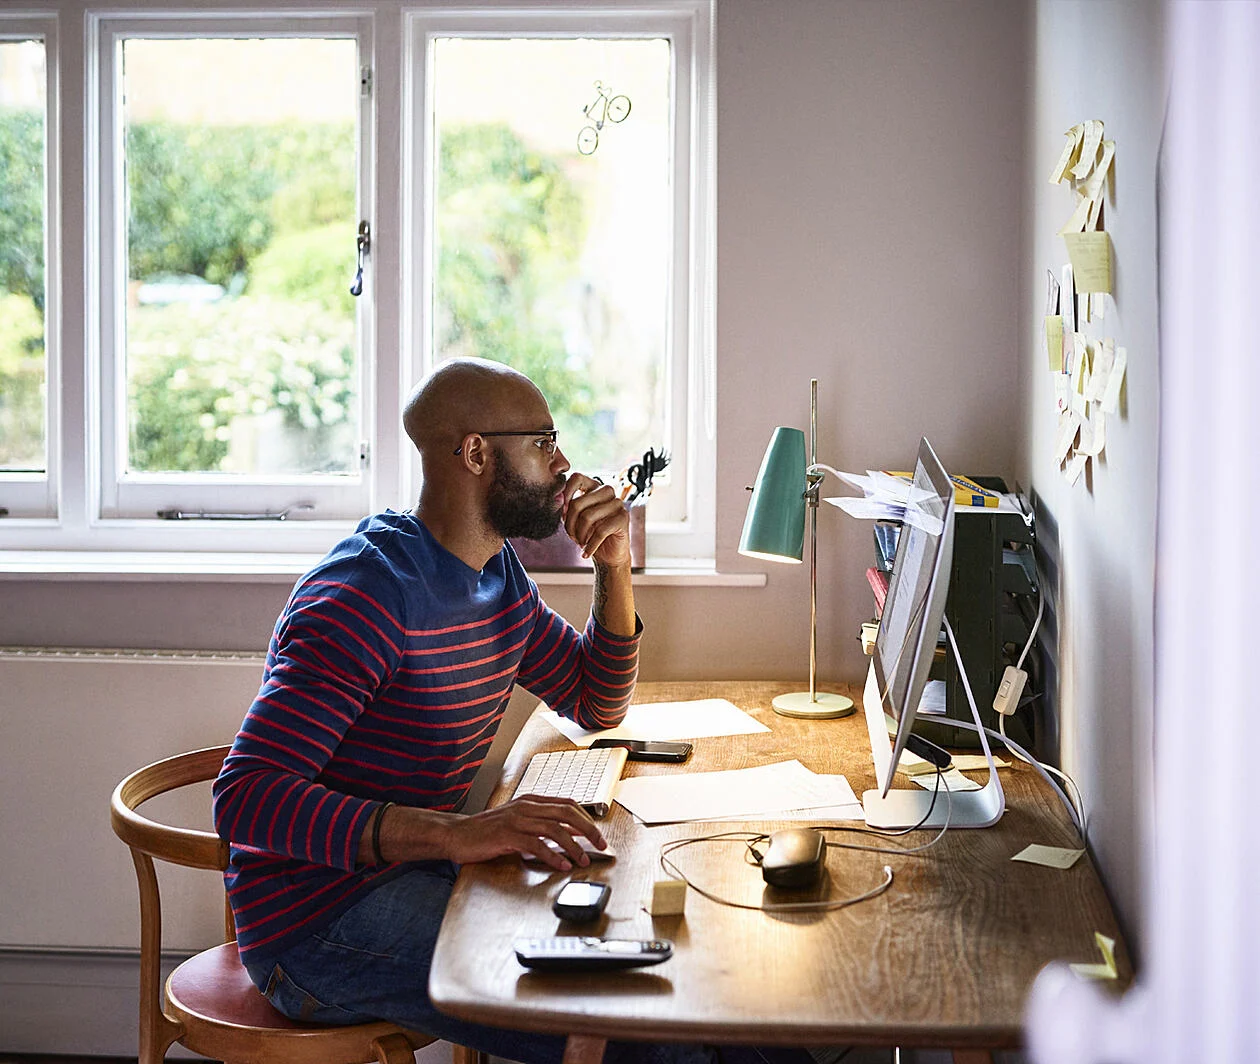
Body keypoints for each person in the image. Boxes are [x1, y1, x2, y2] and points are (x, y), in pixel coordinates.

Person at [212, 357, 691, 1064]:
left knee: (666, 977)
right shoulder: (365, 596)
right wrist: (460, 835)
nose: (563, 464)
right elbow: (244, 799)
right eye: (543, 441)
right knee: (641, 1029)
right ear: (474, 453)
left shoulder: (495, 575)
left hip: (413, 875)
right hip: (316, 928)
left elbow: (596, 702)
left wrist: (613, 564)